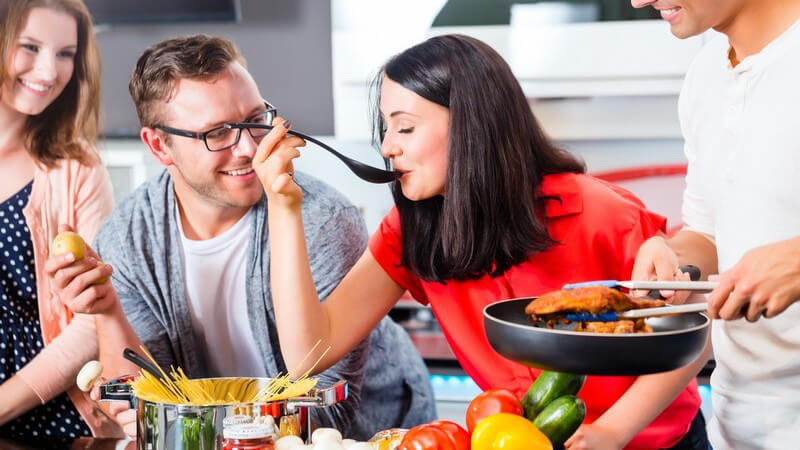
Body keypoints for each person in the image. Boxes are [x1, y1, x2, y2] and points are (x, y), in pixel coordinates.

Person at [256, 34, 709, 450]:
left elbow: (695, 335)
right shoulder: (411, 231)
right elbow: (307, 357)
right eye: (385, 128)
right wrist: (283, 206)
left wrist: (613, 431)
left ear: (471, 125)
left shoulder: (598, 210)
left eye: (405, 127)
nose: (388, 147)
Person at [80, 34, 435, 440]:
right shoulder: (126, 241)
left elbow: (326, 415)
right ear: (159, 146)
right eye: (217, 133)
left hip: (378, 431)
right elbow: (159, 398)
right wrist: (107, 313)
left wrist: (180, 422)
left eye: (255, 119)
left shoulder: (323, 219)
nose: (249, 148)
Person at [630, 0, 800, 448]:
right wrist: (672, 254)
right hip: (735, 426)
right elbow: (708, 232)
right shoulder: (704, 74)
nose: (638, 1)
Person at [0, 0, 123, 443]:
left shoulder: (78, 170)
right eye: (30, 47)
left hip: (49, 415)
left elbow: (93, 322)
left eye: (66, 53)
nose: (49, 71)